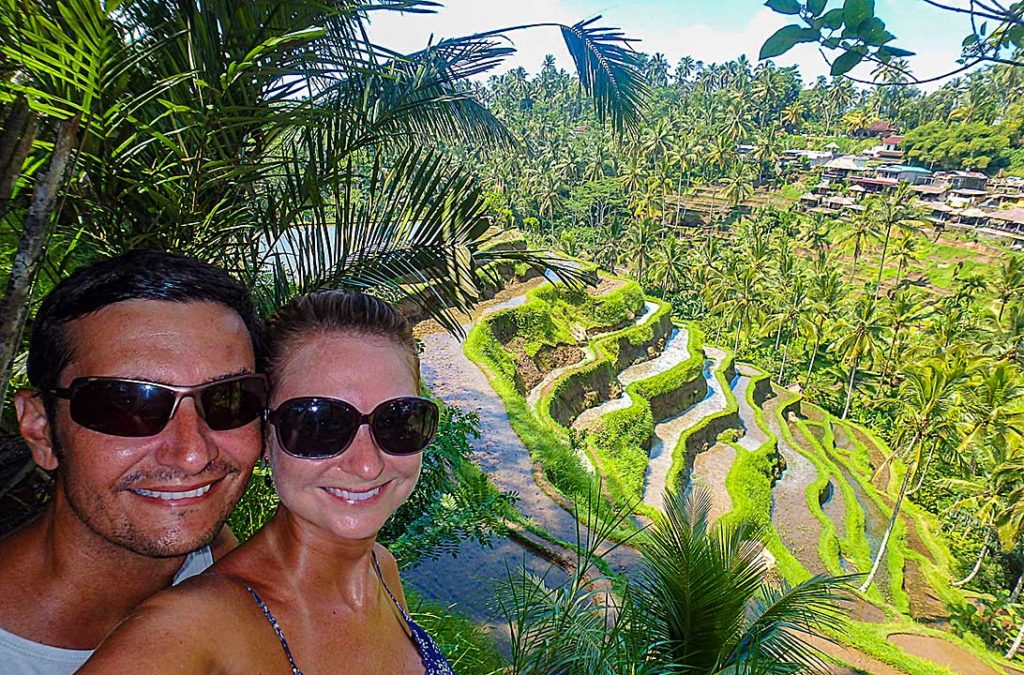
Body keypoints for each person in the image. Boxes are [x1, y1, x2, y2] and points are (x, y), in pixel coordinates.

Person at [81, 290, 453, 674]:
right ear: (264, 436)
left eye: (399, 420)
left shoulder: (380, 568)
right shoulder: (189, 630)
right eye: (317, 424)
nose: (366, 465)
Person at [0, 250, 268, 674]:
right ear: (41, 429)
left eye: (227, 400)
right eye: (127, 403)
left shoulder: (207, 554)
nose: (193, 454)